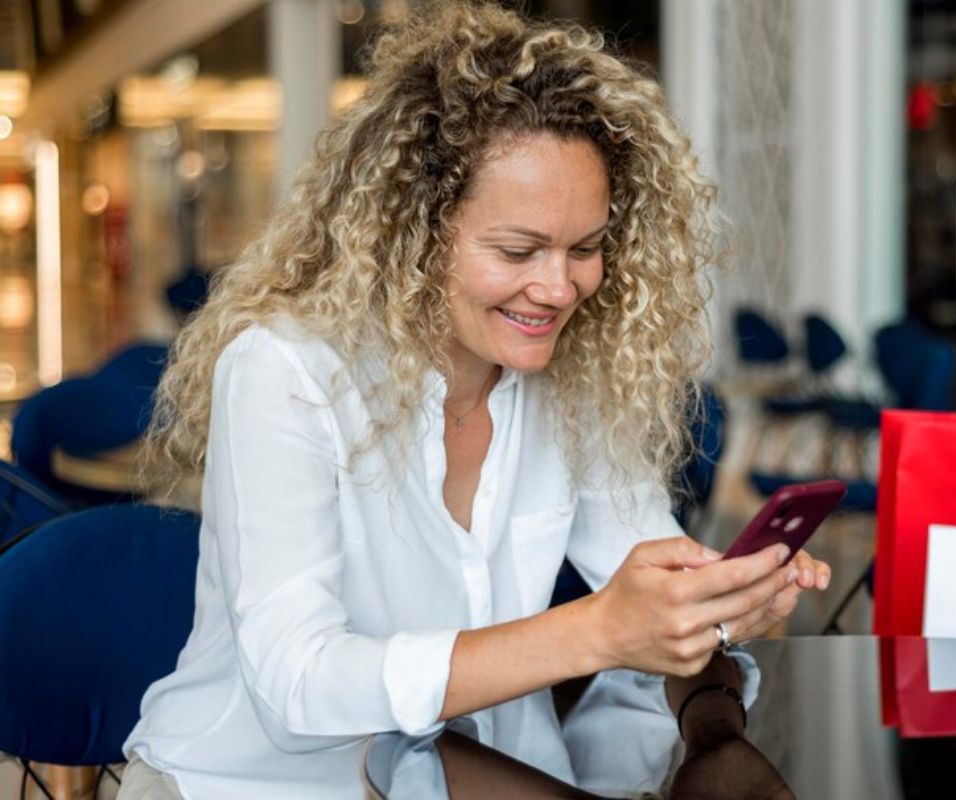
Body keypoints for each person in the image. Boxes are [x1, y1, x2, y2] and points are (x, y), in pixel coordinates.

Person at [120, 3, 831, 798]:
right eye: (518, 250)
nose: (559, 287)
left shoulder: (570, 380)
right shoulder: (286, 370)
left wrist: (715, 627)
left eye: (586, 248)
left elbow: (651, 584)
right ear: (414, 233)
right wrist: (595, 631)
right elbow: (299, 688)